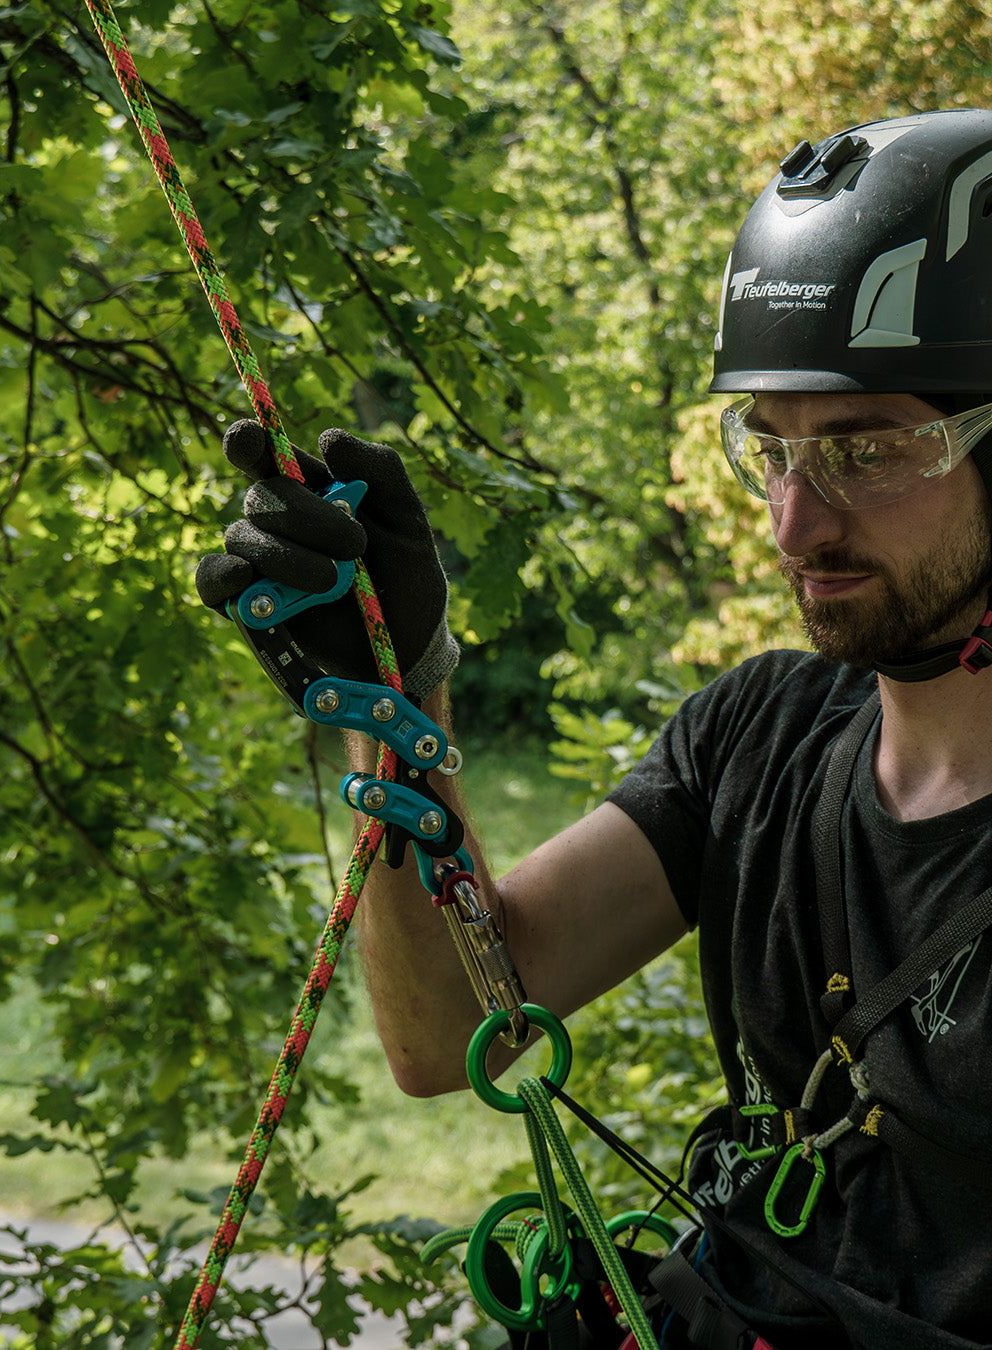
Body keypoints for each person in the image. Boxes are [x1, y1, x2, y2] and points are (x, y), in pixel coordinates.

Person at [196, 109, 992, 1350]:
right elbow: (453, 1030)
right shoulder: (759, 740)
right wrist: (400, 699)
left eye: (866, 450)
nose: (793, 526)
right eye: (769, 450)